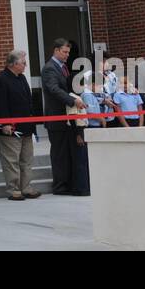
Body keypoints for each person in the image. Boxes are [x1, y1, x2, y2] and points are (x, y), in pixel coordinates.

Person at [0, 50, 41, 200]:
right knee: (11, 160)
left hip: (26, 127)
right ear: (14, 64)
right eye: (23, 63)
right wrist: (5, 123)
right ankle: (13, 189)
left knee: (26, 159)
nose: (25, 66)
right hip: (10, 128)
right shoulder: (1, 79)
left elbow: (28, 101)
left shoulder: (22, 78)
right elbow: (0, 104)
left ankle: (26, 187)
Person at [41, 37, 85, 193]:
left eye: (68, 52)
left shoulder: (63, 67)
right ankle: (59, 186)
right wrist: (73, 101)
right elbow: (54, 89)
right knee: (60, 154)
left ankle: (69, 183)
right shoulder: (50, 68)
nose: (67, 55)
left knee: (67, 152)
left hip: (67, 118)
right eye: (65, 52)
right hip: (56, 117)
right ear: (56, 50)